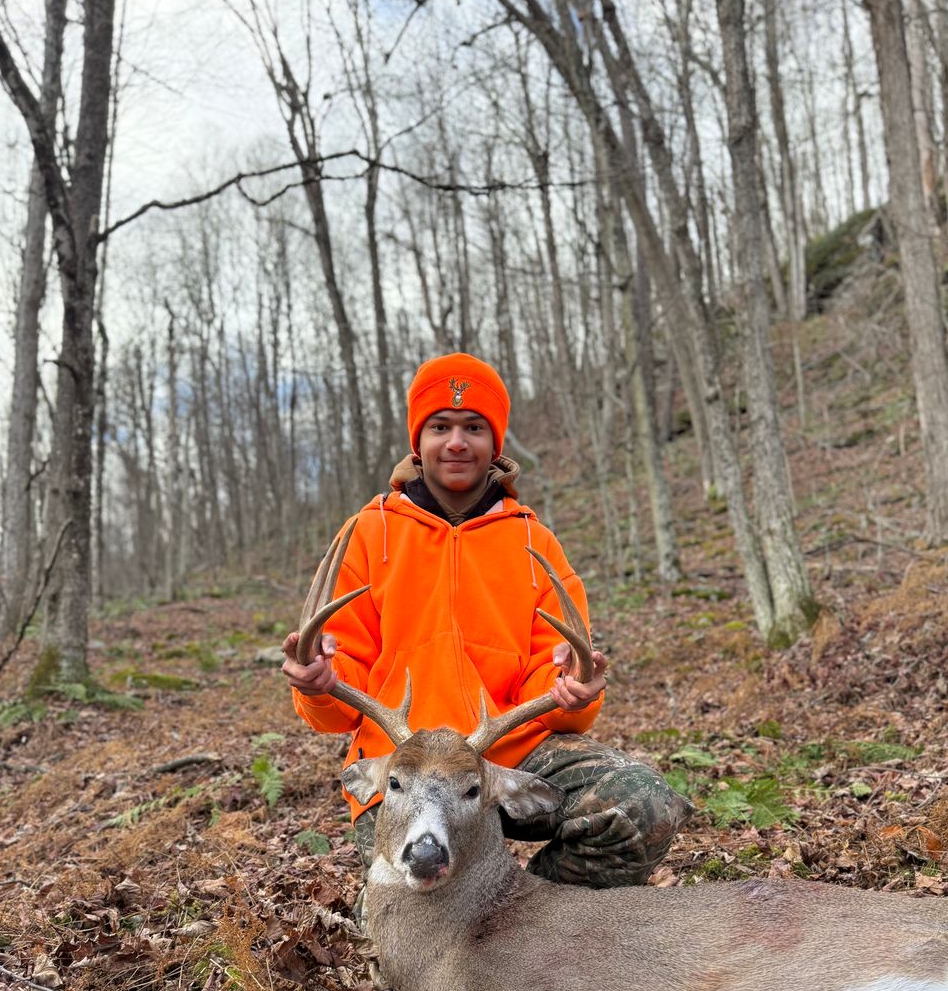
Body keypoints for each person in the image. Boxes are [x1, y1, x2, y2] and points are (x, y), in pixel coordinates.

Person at [282, 352, 691, 898]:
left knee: (642, 805)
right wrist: (317, 685)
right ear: (418, 440)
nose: (457, 442)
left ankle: (535, 922)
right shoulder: (368, 534)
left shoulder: (534, 544)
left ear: (495, 442)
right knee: (418, 912)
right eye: (440, 427)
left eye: (474, 427)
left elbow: (562, 681)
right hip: (406, 767)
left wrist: (574, 691)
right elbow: (337, 698)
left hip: (506, 758)